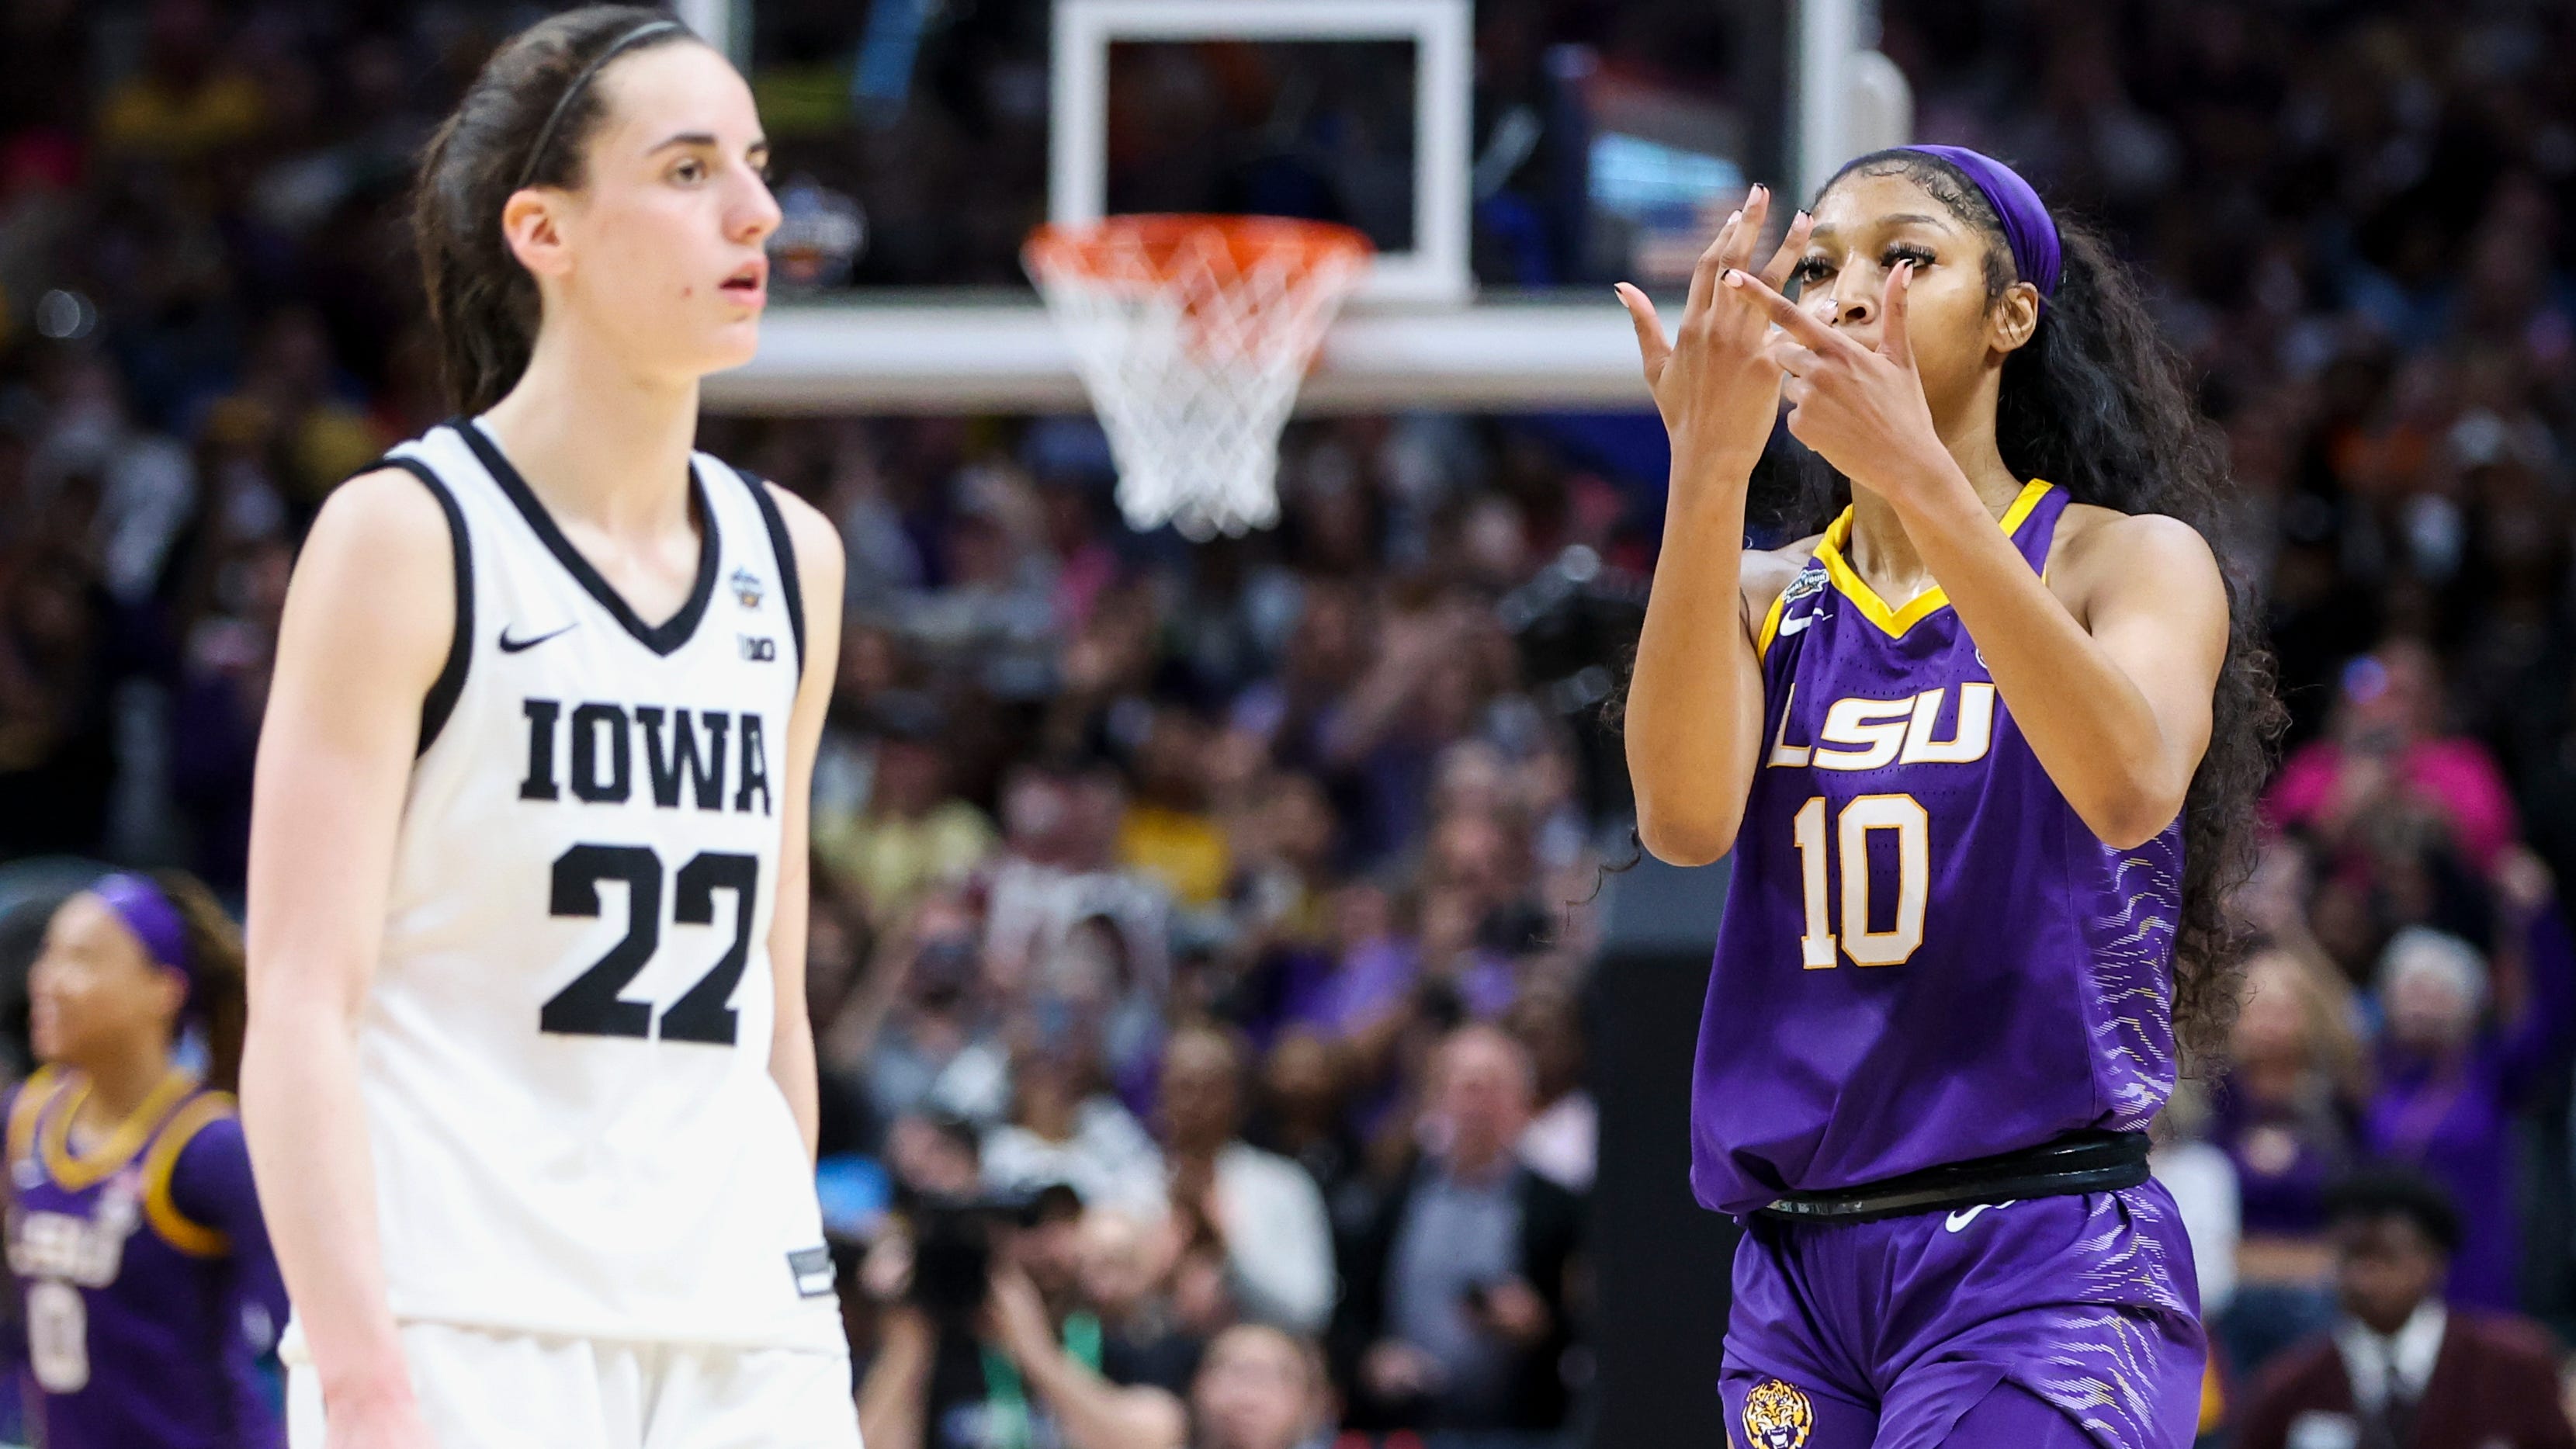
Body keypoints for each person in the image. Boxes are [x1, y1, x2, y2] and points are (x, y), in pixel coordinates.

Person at [235, 10, 856, 1447]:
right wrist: (364, 1375)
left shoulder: (795, 559)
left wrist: (793, 1299)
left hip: (743, 1331)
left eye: (755, 166)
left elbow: (773, 998)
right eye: (690, 169)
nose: (756, 211)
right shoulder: (405, 535)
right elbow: (300, 1005)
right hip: (465, 1320)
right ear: (545, 230)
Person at [1617, 148, 2279, 1447]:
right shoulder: (1763, 593)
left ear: (2009, 316)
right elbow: (1680, 821)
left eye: (1901, 256)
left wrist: (1917, 475)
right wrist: (1704, 468)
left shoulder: (2124, 559)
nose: (1845, 293)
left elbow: (2131, 782)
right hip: (1796, 1276)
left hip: (2032, 1248)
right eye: (1813, 268)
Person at [6, 871, 286, 1448]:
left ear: (164, 989)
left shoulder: (207, 1144)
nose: (47, 980)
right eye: (48, 954)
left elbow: (292, 1329)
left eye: (81, 959)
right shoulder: (26, 1116)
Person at [1333, 1024, 1583, 1438]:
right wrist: (1373, 1358)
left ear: (1525, 1102)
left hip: (1524, 1431)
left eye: (1493, 1086)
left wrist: (1541, 1326)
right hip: (1405, 1430)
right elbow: (1349, 1310)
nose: (1478, 1103)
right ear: (1435, 1100)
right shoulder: (1389, 1198)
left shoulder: (1562, 1208)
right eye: (1465, 1086)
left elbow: (1589, 1327)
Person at [2232, 1170, 2575, 1449]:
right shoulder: (2288, 1386)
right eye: (2352, 1257)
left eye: (2387, 1258)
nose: (2365, 1278)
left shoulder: (2514, 1369)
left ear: (2434, 1263)